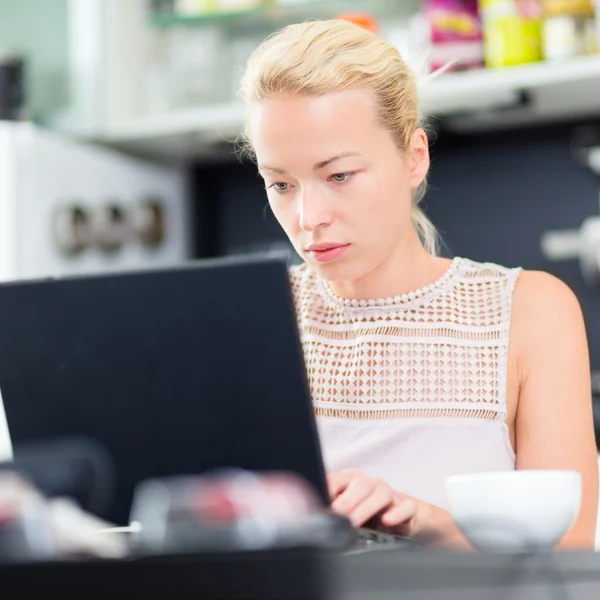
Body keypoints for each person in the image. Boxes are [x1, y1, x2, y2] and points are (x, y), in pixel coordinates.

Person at [239, 19, 599, 549]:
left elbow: (570, 549)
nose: (308, 216)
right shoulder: (253, 320)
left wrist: (426, 524)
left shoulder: (529, 311)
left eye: (338, 175)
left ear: (414, 157)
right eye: (281, 184)